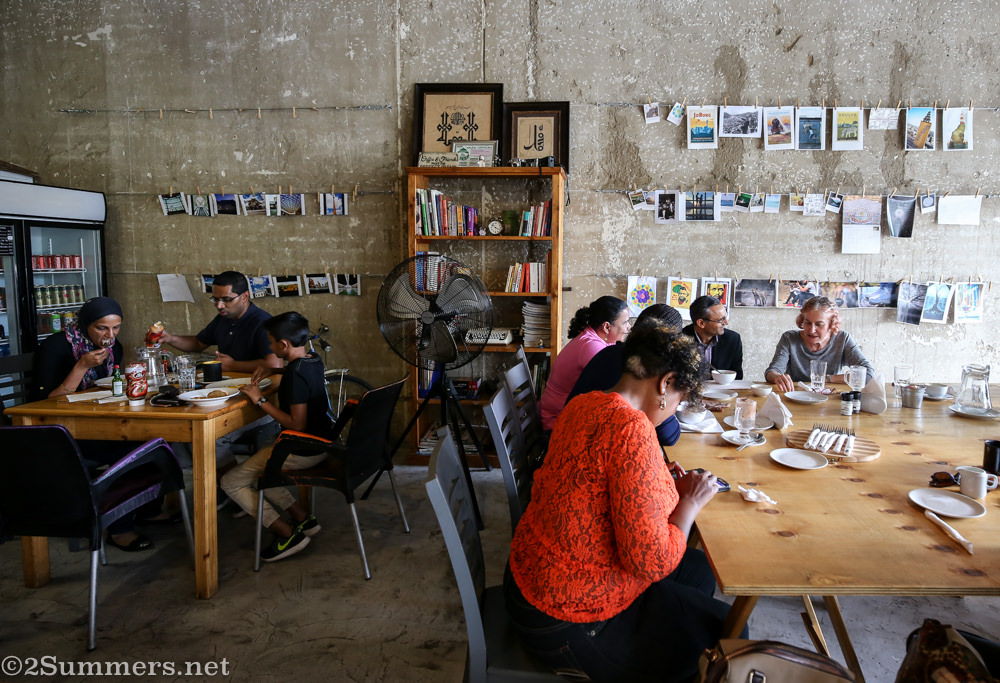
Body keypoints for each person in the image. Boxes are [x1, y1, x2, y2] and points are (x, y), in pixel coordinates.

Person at [505, 322, 737, 683]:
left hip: (528, 582)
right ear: (665, 384)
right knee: (730, 635)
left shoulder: (585, 403)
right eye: (678, 400)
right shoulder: (632, 429)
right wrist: (690, 502)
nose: (674, 411)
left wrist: (661, 479)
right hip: (566, 620)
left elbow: (606, 483)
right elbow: (652, 561)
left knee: (699, 572)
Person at [30, 297, 167, 552]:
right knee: (128, 452)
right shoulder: (56, 346)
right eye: (102, 328)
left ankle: (148, 510)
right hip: (60, 435)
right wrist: (81, 366)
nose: (110, 335)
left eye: (116, 328)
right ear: (85, 325)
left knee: (154, 442)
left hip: (95, 421)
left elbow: (106, 386)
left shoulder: (115, 348)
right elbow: (44, 403)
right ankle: (120, 530)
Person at [221, 312, 331, 562]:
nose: (269, 347)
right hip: (323, 443)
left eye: (271, 342)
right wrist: (271, 367)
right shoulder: (313, 359)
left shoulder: (294, 376)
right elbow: (293, 369)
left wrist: (258, 399)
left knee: (232, 481)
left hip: (302, 450)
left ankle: (287, 533)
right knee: (262, 471)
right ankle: (304, 519)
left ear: (283, 345)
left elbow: (297, 424)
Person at [568, 303, 684, 446]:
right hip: (588, 445)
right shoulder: (644, 368)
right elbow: (669, 436)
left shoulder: (609, 351)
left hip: (570, 436)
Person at [160, 270, 281, 373]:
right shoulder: (224, 318)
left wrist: (233, 365)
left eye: (227, 299)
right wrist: (169, 338)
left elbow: (275, 364)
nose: (219, 305)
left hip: (254, 388)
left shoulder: (262, 322)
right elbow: (198, 343)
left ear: (244, 296)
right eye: (215, 299)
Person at [539, 296, 629, 430]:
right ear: (606, 327)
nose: (629, 327)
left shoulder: (590, 338)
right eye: (625, 322)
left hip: (557, 413)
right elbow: (614, 386)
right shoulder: (592, 347)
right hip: (556, 422)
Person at [765, 295, 875, 393]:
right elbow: (771, 372)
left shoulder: (843, 339)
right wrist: (777, 377)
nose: (811, 330)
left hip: (830, 400)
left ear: (831, 325)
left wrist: (827, 379)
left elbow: (868, 374)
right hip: (797, 397)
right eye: (807, 322)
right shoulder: (789, 338)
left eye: (819, 324)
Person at [682, 295, 743, 380]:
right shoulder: (679, 340)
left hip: (723, 392)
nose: (726, 322)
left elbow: (737, 377)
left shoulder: (733, 340)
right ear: (701, 323)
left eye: (725, 317)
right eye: (720, 320)